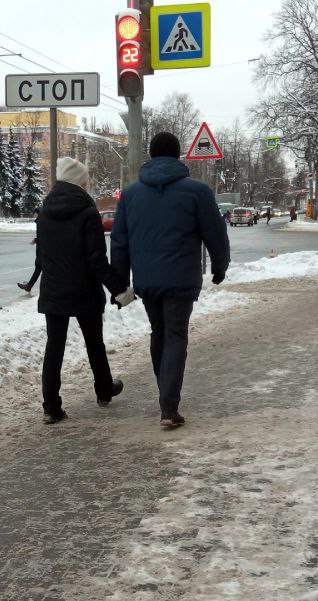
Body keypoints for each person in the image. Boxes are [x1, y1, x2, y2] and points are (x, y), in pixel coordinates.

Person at [111, 132, 230, 429]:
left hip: (147, 280)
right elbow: (215, 233)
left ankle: (165, 394)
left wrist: (120, 282)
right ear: (178, 155)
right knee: (176, 335)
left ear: (151, 155)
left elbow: (119, 241)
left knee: (158, 333)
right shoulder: (197, 192)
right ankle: (169, 405)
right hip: (181, 279)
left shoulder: (130, 194)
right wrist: (219, 266)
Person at [35, 157, 129, 425]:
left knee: (54, 348)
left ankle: (51, 407)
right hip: (84, 290)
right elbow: (96, 260)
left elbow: (42, 257)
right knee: (94, 343)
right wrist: (120, 289)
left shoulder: (44, 214)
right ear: (79, 182)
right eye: (85, 181)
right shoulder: (88, 213)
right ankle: (103, 391)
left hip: (53, 290)